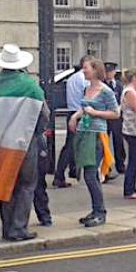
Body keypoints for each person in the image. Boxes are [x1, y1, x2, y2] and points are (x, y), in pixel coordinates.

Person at [0, 44, 47, 242]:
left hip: (0, 144)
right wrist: (36, 134)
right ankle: (19, 228)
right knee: (26, 185)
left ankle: (7, 228)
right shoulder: (31, 86)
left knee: (6, 183)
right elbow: (43, 114)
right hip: (24, 142)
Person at [68, 57, 120, 227]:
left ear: (95, 70)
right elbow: (84, 108)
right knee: (88, 174)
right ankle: (96, 209)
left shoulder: (106, 91)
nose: (83, 71)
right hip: (84, 132)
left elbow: (115, 113)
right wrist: (75, 116)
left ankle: (100, 212)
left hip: (96, 135)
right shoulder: (87, 88)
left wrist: (95, 113)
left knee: (91, 174)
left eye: (86, 68)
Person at [56, 56, 92, 187]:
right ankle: (63, 174)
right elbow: (87, 98)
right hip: (79, 113)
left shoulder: (72, 78)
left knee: (70, 145)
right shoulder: (84, 80)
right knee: (74, 146)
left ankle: (69, 172)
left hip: (71, 112)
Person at [120, 69, 136, 199]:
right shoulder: (131, 92)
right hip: (134, 130)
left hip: (133, 129)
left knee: (135, 159)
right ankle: (129, 189)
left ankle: (131, 187)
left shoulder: (129, 91)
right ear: (135, 78)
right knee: (134, 160)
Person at [105, 62, 126, 176]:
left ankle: (120, 164)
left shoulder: (118, 85)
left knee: (118, 141)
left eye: (111, 71)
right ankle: (106, 166)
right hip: (106, 115)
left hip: (117, 116)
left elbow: (122, 99)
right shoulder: (103, 85)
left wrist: (119, 108)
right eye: (107, 72)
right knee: (105, 142)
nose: (109, 74)